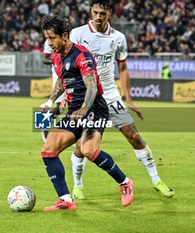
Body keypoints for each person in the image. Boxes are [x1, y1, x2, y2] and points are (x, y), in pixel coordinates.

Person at [69, 0, 174, 199]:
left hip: (109, 95)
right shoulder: (78, 34)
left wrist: (129, 98)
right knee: (81, 147)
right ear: (91, 11)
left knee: (134, 136)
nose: (98, 17)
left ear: (110, 13)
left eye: (102, 13)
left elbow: (123, 68)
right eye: (95, 12)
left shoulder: (118, 38)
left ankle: (156, 179)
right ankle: (78, 185)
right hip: (85, 97)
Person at [40, 15, 134, 211]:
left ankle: (125, 182)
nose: (49, 43)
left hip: (95, 109)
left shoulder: (82, 55)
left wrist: (84, 108)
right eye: (46, 38)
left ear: (64, 36)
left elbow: (91, 86)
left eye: (52, 38)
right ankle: (65, 200)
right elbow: (61, 81)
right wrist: (51, 101)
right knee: (48, 150)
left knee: (87, 150)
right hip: (75, 111)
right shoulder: (57, 57)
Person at [40, 40, 65, 143]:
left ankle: (73, 136)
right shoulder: (49, 41)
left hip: (72, 71)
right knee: (60, 108)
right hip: (58, 73)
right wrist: (58, 61)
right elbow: (44, 59)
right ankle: (44, 126)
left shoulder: (74, 35)